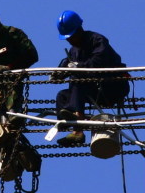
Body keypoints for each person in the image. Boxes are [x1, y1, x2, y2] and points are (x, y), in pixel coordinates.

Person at [52, 10, 130, 146]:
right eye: (67, 38)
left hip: (112, 87)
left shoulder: (97, 40)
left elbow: (97, 63)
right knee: (62, 95)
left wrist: (77, 67)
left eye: (71, 36)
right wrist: (60, 72)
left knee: (78, 80)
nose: (69, 40)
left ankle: (78, 127)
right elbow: (69, 64)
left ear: (79, 29)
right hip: (93, 90)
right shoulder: (74, 51)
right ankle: (66, 121)